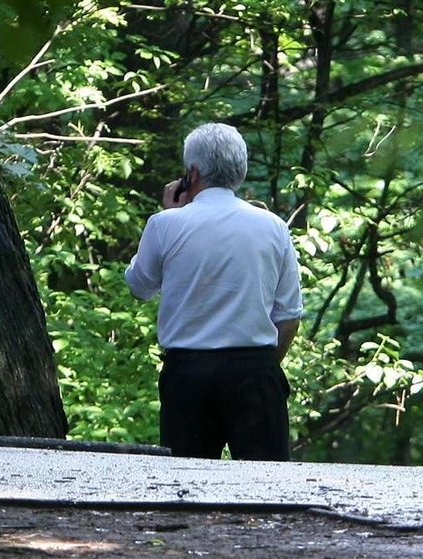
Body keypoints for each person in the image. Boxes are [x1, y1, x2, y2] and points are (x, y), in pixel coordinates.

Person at [124, 123, 303, 461]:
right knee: (267, 491)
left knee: (186, 489)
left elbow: (139, 286)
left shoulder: (165, 225)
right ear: (241, 170)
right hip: (256, 373)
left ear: (192, 173)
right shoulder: (273, 226)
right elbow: (289, 319)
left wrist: (169, 215)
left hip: (187, 375)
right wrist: (259, 366)